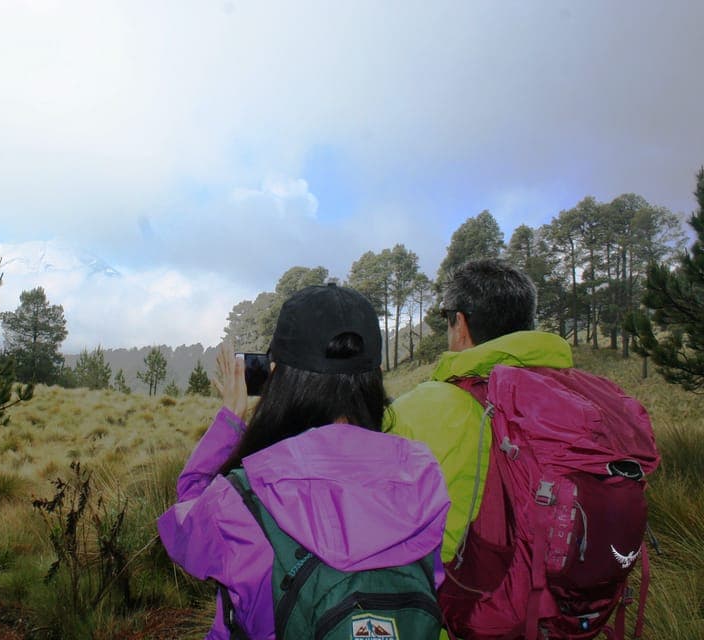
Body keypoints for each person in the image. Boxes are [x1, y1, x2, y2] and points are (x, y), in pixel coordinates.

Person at [158, 283, 450, 639]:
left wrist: (230, 420)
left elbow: (187, 525)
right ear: (373, 376)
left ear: (278, 375)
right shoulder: (423, 475)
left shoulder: (243, 499)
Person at [389, 258, 572, 566]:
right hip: (576, 596)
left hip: (472, 599)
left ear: (460, 323)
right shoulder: (581, 394)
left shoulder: (423, 406)